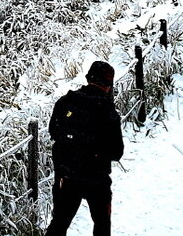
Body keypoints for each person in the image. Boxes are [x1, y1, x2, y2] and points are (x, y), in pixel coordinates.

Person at [46, 60, 124, 236]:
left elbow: (54, 131)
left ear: (88, 78)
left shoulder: (65, 102)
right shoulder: (107, 111)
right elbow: (117, 151)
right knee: (102, 225)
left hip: (67, 176)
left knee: (59, 223)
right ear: (109, 85)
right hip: (96, 178)